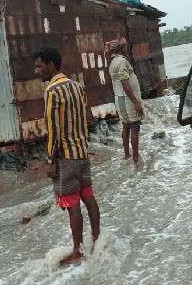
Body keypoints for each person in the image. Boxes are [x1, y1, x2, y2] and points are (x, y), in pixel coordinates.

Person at [34, 47, 101, 266]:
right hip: (81, 150)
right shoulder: (77, 86)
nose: (37, 71)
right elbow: (84, 119)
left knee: (72, 204)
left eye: (39, 66)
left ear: (51, 65)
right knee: (88, 196)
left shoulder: (52, 91)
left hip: (66, 156)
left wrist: (51, 160)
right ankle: (97, 239)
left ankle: (78, 250)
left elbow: (53, 128)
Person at [106, 38, 144, 164]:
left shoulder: (112, 62)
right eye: (124, 46)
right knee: (134, 127)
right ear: (121, 49)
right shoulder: (122, 62)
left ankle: (127, 154)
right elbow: (126, 85)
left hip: (119, 99)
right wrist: (136, 102)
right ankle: (136, 159)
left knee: (126, 126)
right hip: (128, 100)